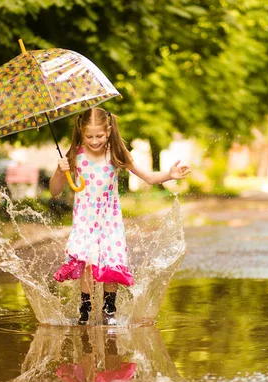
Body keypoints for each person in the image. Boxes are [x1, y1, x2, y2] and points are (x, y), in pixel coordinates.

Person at [49, 107, 191, 325]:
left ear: (108, 131)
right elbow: (54, 190)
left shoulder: (115, 154)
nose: (95, 141)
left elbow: (149, 177)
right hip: (85, 222)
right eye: (89, 136)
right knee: (86, 261)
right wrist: (60, 172)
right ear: (81, 131)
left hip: (109, 221)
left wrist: (169, 175)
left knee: (110, 262)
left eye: (99, 136)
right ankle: (85, 308)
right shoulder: (74, 156)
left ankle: (109, 308)